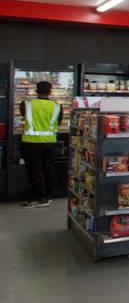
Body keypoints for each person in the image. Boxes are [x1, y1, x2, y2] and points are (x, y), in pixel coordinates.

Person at [20, 81, 62, 209]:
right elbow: (58, 122)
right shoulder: (57, 106)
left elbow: (24, 117)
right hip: (50, 142)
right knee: (48, 169)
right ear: (50, 92)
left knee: (34, 171)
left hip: (31, 142)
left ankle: (38, 198)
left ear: (36, 91)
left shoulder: (26, 104)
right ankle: (47, 196)